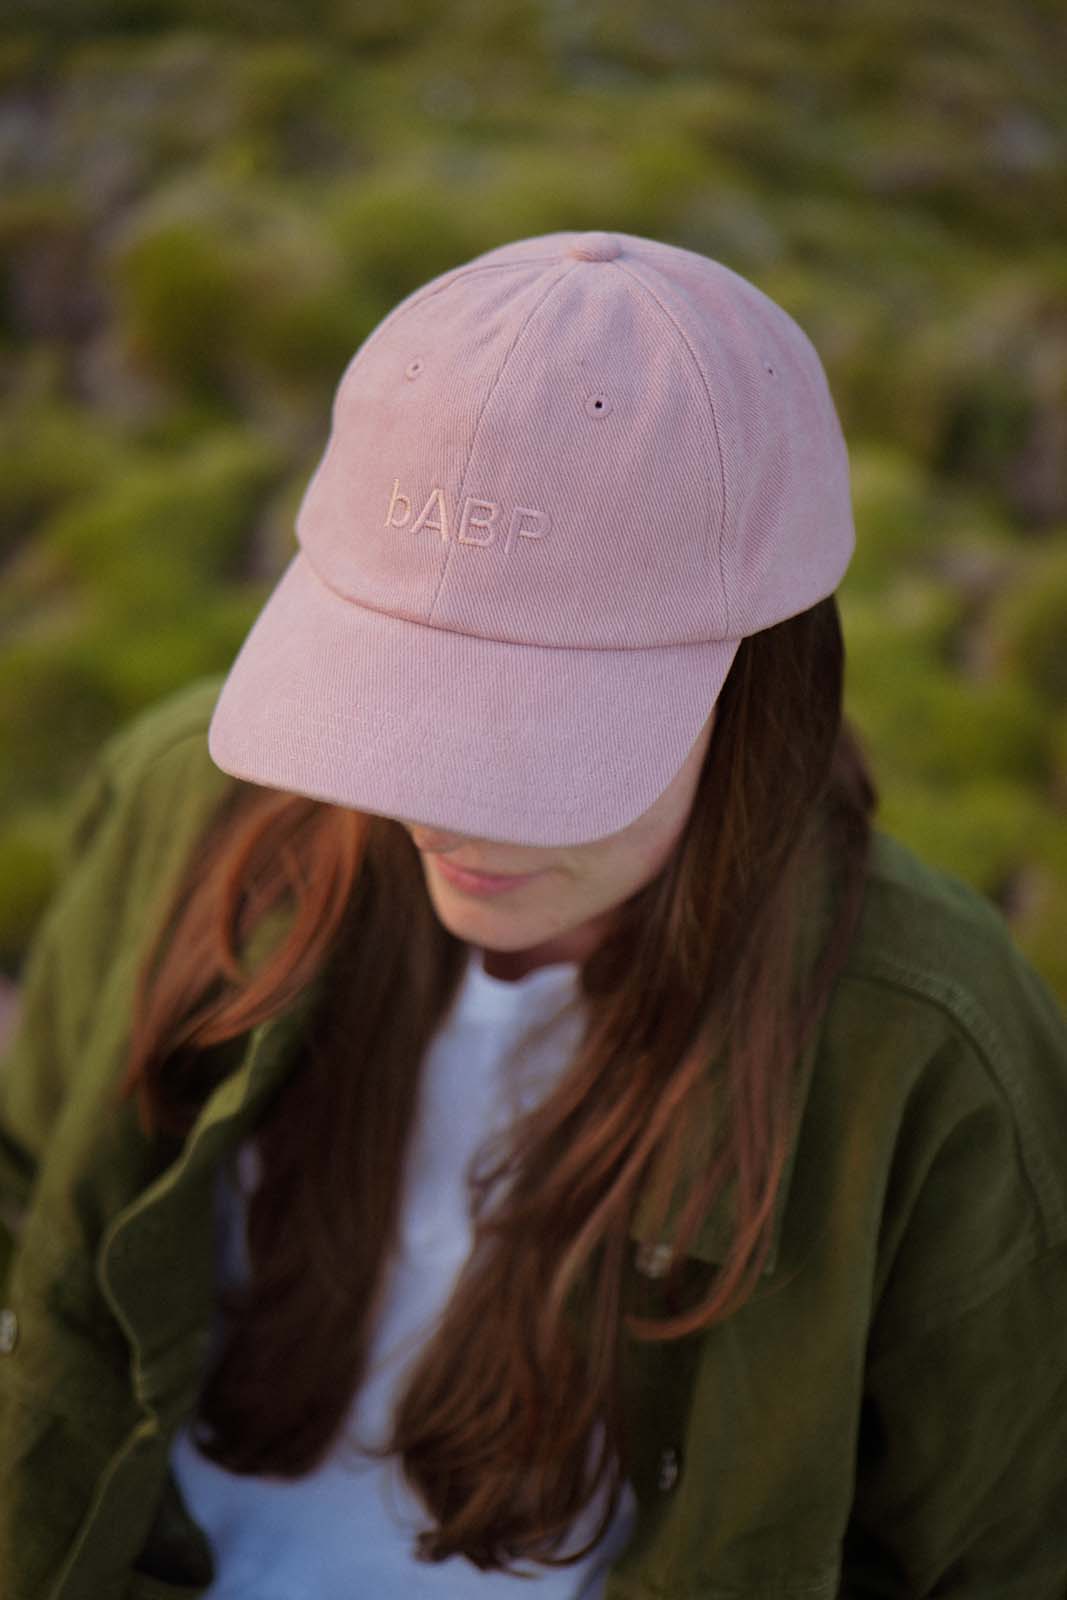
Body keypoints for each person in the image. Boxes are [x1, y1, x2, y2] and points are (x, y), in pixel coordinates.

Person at [1, 229, 1066, 1600]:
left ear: (762, 687)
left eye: (534, 739)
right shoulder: (183, 807)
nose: (440, 815)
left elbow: (1001, 1557)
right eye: (389, 692)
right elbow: (32, 1199)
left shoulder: (931, 1054)